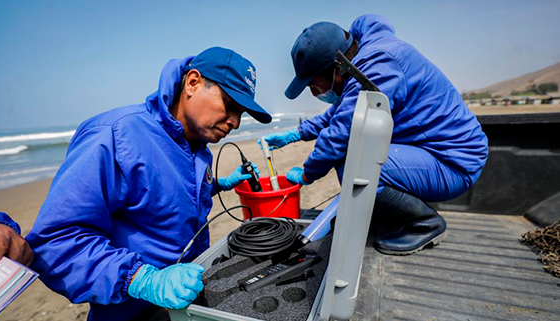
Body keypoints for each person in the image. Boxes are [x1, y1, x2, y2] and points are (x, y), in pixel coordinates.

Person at [26, 47, 271, 321]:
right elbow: (55, 242)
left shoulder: (200, 148)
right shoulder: (115, 136)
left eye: (242, 113)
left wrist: (222, 184)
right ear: (192, 83)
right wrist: (142, 279)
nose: (235, 122)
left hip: (184, 306)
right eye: (230, 105)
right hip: (129, 311)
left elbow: (170, 200)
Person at [263, 14, 488, 255]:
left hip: (453, 163)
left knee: (354, 162)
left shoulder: (378, 66)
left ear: (337, 67)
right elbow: (338, 115)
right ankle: (390, 212)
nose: (315, 92)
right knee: (356, 158)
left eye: (314, 85)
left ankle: (426, 224)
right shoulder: (363, 62)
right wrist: (296, 133)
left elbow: (340, 134)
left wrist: (308, 173)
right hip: (432, 153)